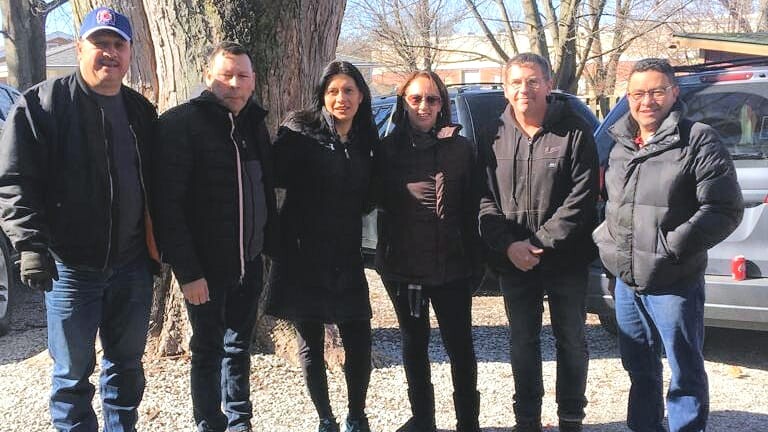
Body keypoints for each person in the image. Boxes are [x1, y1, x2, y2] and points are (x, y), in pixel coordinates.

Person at [0, 7, 158, 431]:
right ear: (78, 47)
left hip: (132, 268)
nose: (109, 53)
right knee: (71, 378)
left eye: (117, 44)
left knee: (126, 369)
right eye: (99, 43)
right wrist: (30, 245)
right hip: (70, 268)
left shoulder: (141, 112)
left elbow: (158, 188)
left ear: (129, 52)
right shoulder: (42, 105)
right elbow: (15, 180)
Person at [592, 58, 743, 432]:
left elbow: (724, 209)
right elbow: (608, 202)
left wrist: (672, 246)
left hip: (674, 280)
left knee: (684, 370)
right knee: (640, 368)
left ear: (674, 92)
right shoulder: (620, 143)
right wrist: (607, 242)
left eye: (657, 91)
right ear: (627, 97)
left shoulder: (698, 139)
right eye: (639, 93)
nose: (648, 101)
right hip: (627, 281)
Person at [152, 41, 278, 432]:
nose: (234, 83)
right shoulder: (180, 124)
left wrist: (267, 249)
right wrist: (188, 273)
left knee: (239, 349)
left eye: (242, 75)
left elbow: (264, 189)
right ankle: (209, 422)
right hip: (204, 272)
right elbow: (167, 208)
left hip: (250, 263)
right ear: (208, 77)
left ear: (253, 81)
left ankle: (240, 421)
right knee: (207, 350)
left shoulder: (255, 124)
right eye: (226, 74)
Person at [477, 53, 599, 432]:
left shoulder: (575, 131)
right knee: (522, 343)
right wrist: (509, 246)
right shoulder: (492, 135)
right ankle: (526, 419)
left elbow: (581, 200)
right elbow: (482, 197)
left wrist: (539, 244)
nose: (524, 89)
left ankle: (571, 418)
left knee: (572, 341)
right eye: (515, 82)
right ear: (505, 89)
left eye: (532, 81)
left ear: (548, 85)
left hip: (565, 260)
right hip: (513, 261)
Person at [264, 61, 377, 432]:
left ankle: (356, 415)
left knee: (359, 334)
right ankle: (325, 418)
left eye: (348, 90)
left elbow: (371, 196)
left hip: (345, 254)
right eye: (332, 91)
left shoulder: (366, 141)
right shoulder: (301, 131)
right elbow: (272, 176)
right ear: (322, 96)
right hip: (302, 252)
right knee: (310, 341)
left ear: (361, 95)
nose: (340, 98)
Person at [374, 71, 481, 432]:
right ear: (403, 102)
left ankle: (469, 422)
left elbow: (473, 207)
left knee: (461, 349)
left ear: (442, 104)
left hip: (452, 266)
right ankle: (423, 420)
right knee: (414, 347)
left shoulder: (461, 149)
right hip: (403, 270)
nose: (423, 106)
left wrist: (476, 260)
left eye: (431, 99)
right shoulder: (386, 150)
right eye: (415, 98)